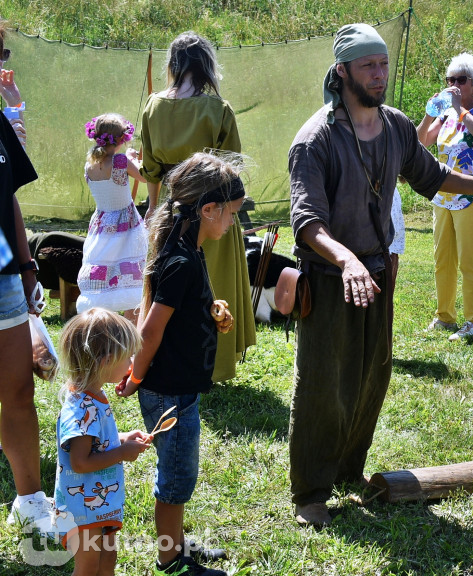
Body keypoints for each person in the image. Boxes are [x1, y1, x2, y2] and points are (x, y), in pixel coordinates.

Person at [287, 23, 473, 528]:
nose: (379, 74)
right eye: (369, 66)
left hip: (376, 274)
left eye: (384, 64)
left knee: (372, 376)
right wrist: (344, 260)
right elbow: (307, 223)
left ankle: (349, 469)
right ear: (342, 71)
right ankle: (310, 492)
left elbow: (431, 177)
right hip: (330, 281)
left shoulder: (393, 125)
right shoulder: (315, 140)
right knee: (325, 384)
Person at [116, 152, 244, 576]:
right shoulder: (181, 261)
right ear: (208, 210)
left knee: (179, 471)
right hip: (168, 390)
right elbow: (151, 330)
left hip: (182, 387)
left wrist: (212, 308)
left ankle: (178, 542)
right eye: (230, 215)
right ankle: (171, 559)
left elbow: (180, 309)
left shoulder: (188, 249)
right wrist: (135, 375)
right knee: (174, 477)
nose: (231, 223)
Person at [139, 31, 255, 382]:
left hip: (170, 214)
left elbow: (151, 168)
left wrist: (155, 209)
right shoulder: (217, 109)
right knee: (211, 285)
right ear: (206, 65)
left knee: (168, 289)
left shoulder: (153, 106)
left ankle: (169, 359)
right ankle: (213, 365)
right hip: (213, 213)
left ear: (173, 65)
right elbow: (232, 171)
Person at [54, 308, 151, 576]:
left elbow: (92, 443)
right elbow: (81, 461)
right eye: (127, 356)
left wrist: (121, 439)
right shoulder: (82, 406)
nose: (131, 362)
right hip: (82, 507)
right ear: (106, 361)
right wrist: (121, 452)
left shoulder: (93, 396)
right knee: (88, 568)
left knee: (107, 559)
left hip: (98, 502)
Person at [0, 22, 50, 528]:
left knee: (18, 392)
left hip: (3, 279)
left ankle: (31, 504)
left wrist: (30, 266)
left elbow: (8, 195)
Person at [416, 53, 473, 340]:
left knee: (469, 261)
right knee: (443, 259)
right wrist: (430, 112)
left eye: (460, 80)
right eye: (450, 80)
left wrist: (461, 110)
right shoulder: (445, 114)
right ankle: (445, 316)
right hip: (443, 195)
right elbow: (420, 141)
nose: (454, 85)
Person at [76, 114, 148, 321]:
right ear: (121, 139)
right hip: (125, 224)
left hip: (101, 223)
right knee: (131, 273)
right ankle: (132, 327)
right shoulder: (120, 160)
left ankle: (104, 319)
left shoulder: (89, 165)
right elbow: (143, 176)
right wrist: (133, 158)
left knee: (105, 267)